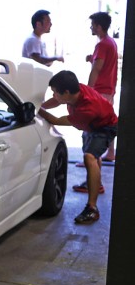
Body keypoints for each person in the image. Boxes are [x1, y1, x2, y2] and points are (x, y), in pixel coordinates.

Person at [38, 70, 117, 224]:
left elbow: (56, 120)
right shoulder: (75, 90)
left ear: (66, 93)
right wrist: (41, 105)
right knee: (93, 154)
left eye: (55, 92)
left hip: (105, 127)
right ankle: (95, 184)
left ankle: (92, 209)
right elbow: (56, 101)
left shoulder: (87, 109)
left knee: (90, 157)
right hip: (93, 124)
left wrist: (36, 109)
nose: (53, 95)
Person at [87, 11, 119, 162]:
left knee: (93, 124)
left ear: (98, 27)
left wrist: (88, 90)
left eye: (92, 25)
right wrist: (91, 59)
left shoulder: (102, 45)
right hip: (109, 89)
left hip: (100, 90)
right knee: (107, 122)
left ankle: (92, 157)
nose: (91, 28)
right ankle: (110, 152)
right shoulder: (111, 42)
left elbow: (96, 69)